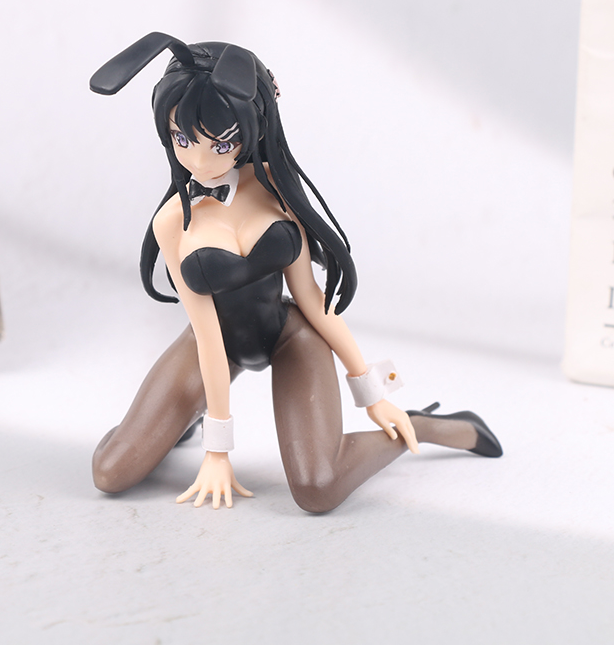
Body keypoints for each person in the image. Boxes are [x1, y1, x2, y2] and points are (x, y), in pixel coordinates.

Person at [89, 32, 501, 513]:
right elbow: (207, 338)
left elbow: (314, 302)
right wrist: (217, 450)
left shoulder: (276, 193)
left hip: (289, 336)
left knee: (317, 487)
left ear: (253, 128)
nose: (199, 161)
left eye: (221, 143)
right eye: (182, 139)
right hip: (213, 343)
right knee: (110, 473)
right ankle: (181, 423)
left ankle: (425, 425)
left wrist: (374, 393)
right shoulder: (172, 222)